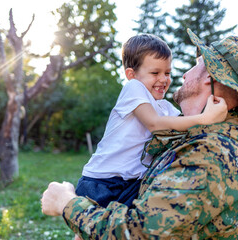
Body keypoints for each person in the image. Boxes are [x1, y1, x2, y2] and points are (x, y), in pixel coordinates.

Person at [41, 29, 238, 239]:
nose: (181, 76)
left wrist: (66, 203)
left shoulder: (211, 152)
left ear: (210, 75)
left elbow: (139, 233)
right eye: (156, 72)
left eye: (195, 65)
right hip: (104, 182)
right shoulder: (201, 134)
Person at [73, 33, 227, 211]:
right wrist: (205, 118)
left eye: (167, 73)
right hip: (102, 181)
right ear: (132, 74)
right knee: (91, 229)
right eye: (155, 73)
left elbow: (184, 125)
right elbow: (154, 124)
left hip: (133, 184)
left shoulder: (164, 106)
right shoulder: (133, 88)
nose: (164, 79)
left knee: (120, 230)